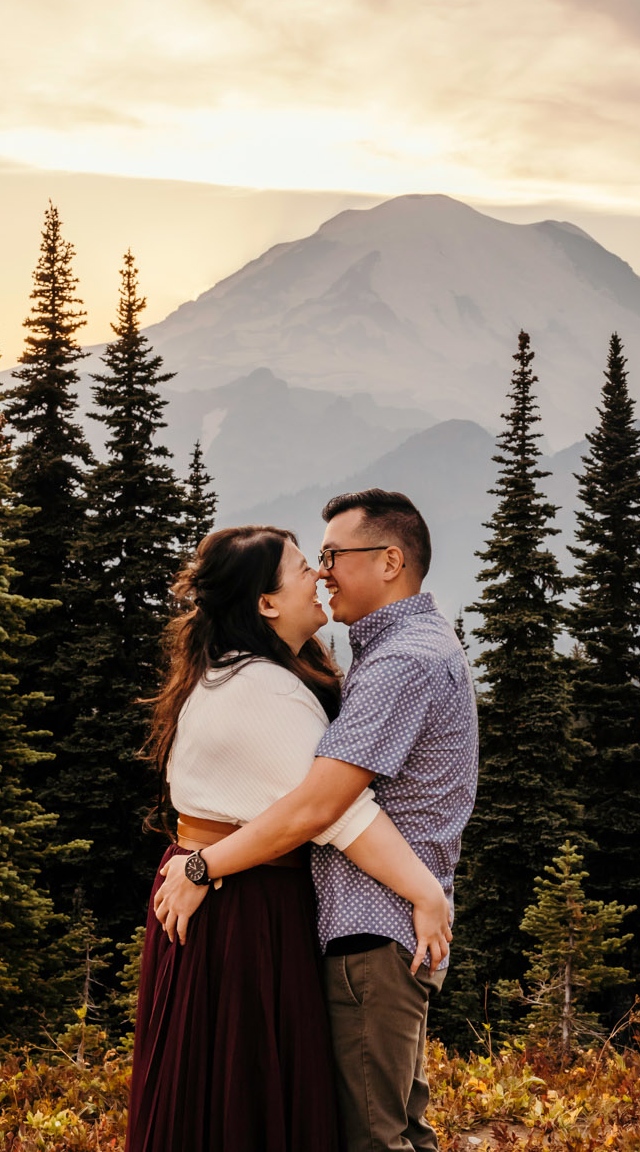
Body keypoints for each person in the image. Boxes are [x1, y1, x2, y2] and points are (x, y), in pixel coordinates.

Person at [156, 489, 478, 1152]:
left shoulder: (398, 661)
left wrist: (200, 865)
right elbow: (325, 807)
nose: (324, 572)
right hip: (312, 915)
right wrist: (425, 891)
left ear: (390, 561)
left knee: (371, 1134)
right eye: (312, 562)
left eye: (331, 556)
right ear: (265, 603)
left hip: (369, 922)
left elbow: (325, 806)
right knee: (386, 1127)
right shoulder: (313, 671)